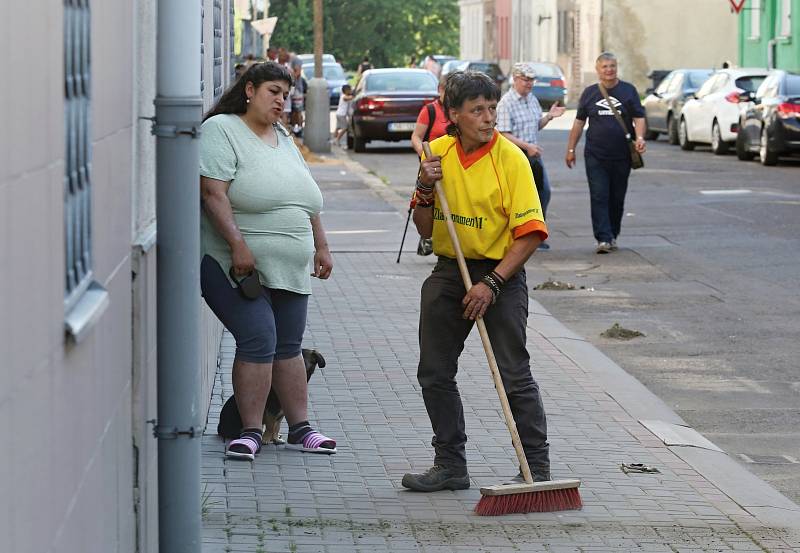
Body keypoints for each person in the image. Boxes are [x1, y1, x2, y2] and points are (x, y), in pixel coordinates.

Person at [401, 71, 551, 492]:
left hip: (501, 269)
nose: (488, 119)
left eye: (491, 109)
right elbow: (425, 230)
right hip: (451, 270)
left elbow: (531, 234)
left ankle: (535, 469)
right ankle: (450, 464)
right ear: (454, 114)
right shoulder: (438, 153)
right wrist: (424, 185)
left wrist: (493, 285)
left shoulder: (511, 160)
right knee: (433, 371)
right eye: (477, 111)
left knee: (512, 374)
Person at [199, 62, 336, 461]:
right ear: (249, 90)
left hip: (291, 266)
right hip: (234, 265)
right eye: (273, 91)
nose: (281, 101)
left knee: (288, 346)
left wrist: (322, 246)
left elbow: (307, 199)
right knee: (259, 339)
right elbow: (213, 196)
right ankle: (250, 431)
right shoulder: (221, 130)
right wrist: (238, 245)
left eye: (286, 94)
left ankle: (301, 429)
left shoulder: (283, 137)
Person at [565, 52, 646, 254]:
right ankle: (603, 238)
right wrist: (571, 149)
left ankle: (613, 234)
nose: (609, 70)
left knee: (617, 198)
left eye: (612, 66)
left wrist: (640, 138)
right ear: (598, 69)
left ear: (616, 68)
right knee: (599, 195)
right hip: (595, 155)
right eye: (605, 67)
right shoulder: (590, 93)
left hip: (622, 155)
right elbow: (579, 122)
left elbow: (639, 117)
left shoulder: (628, 91)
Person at [496, 62, 566, 250]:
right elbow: (503, 134)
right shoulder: (506, 103)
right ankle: (519, 236)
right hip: (515, 156)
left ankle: (534, 234)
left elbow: (535, 126)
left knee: (542, 193)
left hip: (533, 155)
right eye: (526, 80)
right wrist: (527, 146)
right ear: (516, 79)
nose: (529, 84)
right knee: (519, 199)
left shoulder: (531, 99)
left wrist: (549, 116)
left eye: (532, 80)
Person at [410, 77, 449, 256]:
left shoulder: (457, 110)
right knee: (428, 200)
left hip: (451, 163)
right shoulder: (430, 110)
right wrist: (424, 155)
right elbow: (416, 136)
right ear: (440, 89)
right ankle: (426, 238)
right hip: (432, 165)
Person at [289, 58, 307, 136]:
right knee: (295, 112)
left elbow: (296, 77)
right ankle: (296, 127)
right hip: (296, 92)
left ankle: (298, 128)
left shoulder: (296, 72)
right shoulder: (294, 70)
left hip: (297, 92)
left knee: (298, 111)